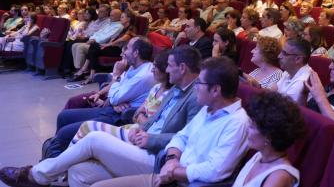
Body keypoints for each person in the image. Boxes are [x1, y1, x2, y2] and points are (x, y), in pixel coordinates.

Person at [75, 56, 250, 187]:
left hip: (179, 180)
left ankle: (45, 174)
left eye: (200, 84)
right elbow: (181, 137)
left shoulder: (237, 123)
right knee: (79, 172)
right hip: (168, 168)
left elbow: (214, 171)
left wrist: (174, 171)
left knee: (94, 141)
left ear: (215, 90)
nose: (196, 88)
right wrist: (173, 158)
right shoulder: (208, 108)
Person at [43, 37, 157, 160]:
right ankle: (55, 153)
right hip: (112, 108)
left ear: (136, 53)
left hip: (119, 116)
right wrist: (115, 91)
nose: (124, 52)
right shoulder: (132, 66)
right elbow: (115, 94)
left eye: (128, 48)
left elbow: (115, 97)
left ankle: (57, 161)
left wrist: (116, 76)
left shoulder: (144, 75)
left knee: (64, 133)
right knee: (63, 116)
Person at [229, 92, 306, 187]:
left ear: (268, 136)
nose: (247, 128)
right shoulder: (258, 156)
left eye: (252, 126)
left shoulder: (279, 177)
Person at [275, 39, 315, 105]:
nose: (279, 56)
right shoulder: (289, 70)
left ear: (298, 59)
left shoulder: (303, 81)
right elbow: (273, 90)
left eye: (284, 53)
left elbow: (284, 109)